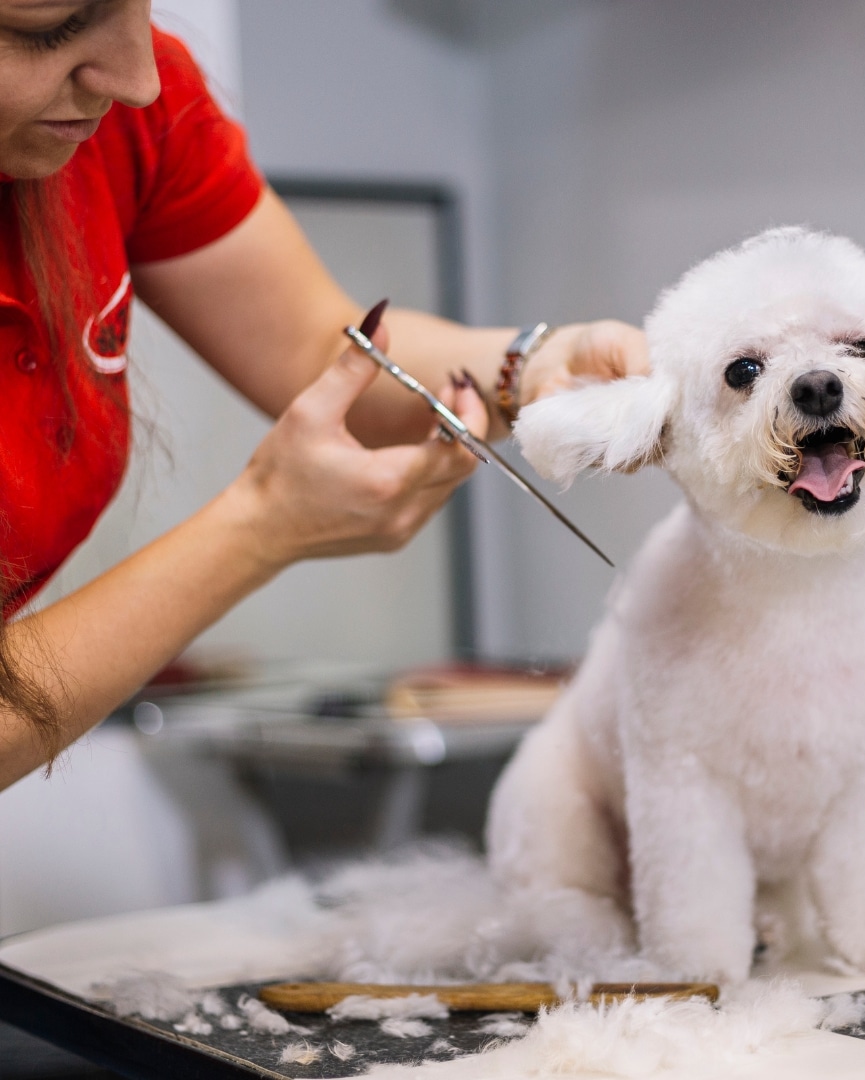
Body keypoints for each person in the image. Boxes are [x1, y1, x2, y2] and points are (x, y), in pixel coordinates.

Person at [0, 0, 647, 791]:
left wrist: (535, 363)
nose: (137, 79)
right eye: (47, 29)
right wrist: (259, 529)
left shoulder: (136, 114)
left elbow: (317, 348)